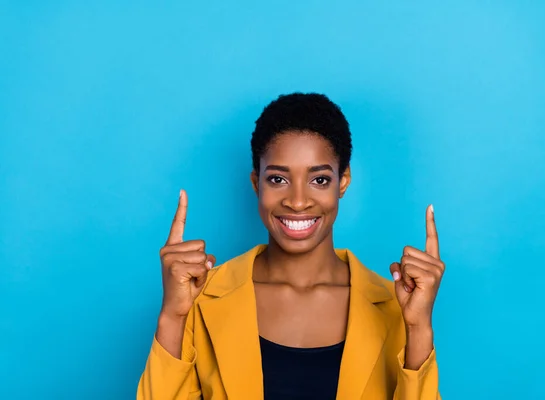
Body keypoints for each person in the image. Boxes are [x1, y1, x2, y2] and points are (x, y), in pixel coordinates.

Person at [137, 93, 444, 400]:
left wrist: (418, 331)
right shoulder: (200, 298)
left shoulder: (395, 307)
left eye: (320, 180)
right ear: (257, 183)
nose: (297, 201)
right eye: (278, 179)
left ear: (344, 181)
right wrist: (172, 316)